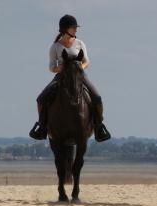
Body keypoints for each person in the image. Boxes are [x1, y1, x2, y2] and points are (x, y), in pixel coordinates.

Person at [29, 14, 110, 142]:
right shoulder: (55, 46)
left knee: (97, 97)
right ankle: (42, 127)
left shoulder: (80, 43)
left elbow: (87, 61)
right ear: (65, 29)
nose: (76, 30)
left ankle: (99, 127)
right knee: (41, 99)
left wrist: (79, 68)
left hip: (79, 75)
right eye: (73, 28)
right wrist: (60, 69)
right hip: (61, 77)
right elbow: (51, 67)